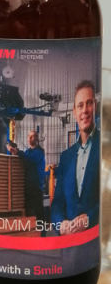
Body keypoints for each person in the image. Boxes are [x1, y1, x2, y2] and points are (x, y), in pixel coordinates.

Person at [52, 80, 99, 234]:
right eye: (80, 105)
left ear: (96, 107)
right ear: (74, 112)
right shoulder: (66, 158)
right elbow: (57, 203)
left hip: (97, 245)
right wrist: (61, 225)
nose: (85, 110)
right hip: (70, 247)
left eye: (89, 103)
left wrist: (89, 219)